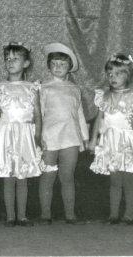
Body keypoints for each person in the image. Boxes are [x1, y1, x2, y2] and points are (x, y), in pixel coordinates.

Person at [88, 53, 133, 224]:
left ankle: (129, 215)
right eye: (110, 74)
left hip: (127, 142)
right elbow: (98, 119)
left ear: (128, 75)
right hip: (110, 142)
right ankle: (114, 214)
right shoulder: (104, 96)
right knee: (115, 180)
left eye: (118, 73)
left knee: (128, 179)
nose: (113, 77)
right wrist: (93, 139)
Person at [0, 42, 42, 226]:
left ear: (26, 63)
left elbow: (37, 115)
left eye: (15, 59)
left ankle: (22, 216)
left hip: (25, 135)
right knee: (8, 176)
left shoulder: (32, 87)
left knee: (22, 176)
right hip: (5, 134)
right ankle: (11, 216)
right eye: (7, 59)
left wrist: (37, 139)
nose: (10, 62)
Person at [38, 42, 89, 224]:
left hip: (71, 137)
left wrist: (85, 137)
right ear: (49, 66)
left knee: (67, 176)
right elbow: (39, 114)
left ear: (69, 67)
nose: (58, 67)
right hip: (49, 137)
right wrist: (38, 137)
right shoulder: (43, 87)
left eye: (62, 64)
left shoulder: (74, 89)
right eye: (54, 64)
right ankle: (45, 213)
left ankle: (70, 214)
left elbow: (80, 114)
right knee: (48, 176)